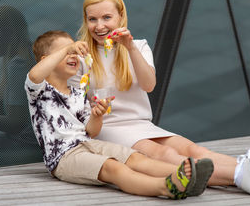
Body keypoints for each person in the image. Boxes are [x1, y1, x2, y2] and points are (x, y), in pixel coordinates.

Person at [68, 0, 250, 196]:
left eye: (107, 17)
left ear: (120, 16)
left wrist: (129, 48)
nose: (99, 26)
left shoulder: (138, 46)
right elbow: (77, 109)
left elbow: (149, 85)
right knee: (166, 156)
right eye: (92, 19)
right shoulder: (82, 57)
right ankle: (243, 173)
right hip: (109, 128)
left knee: (191, 148)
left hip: (140, 123)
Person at [24, 30, 215, 199]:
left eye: (74, 51)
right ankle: (166, 187)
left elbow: (91, 131)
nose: (73, 54)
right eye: (67, 52)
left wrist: (97, 116)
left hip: (89, 144)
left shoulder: (77, 92)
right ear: (47, 59)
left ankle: (188, 175)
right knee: (113, 168)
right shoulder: (39, 90)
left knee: (136, 159)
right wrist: (68, 49)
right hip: (64, 157)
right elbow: (34, 74)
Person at [0, 5, 39, 158]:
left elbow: (16, 123)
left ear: (9, 32)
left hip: (27, 147)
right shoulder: (29, 57)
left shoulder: (19, 65)